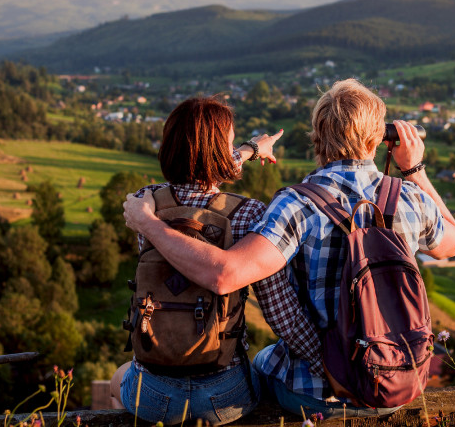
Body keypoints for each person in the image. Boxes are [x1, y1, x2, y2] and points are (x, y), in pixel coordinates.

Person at [123, 79, 455, 419]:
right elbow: (452, 243)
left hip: (313, 395)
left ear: (317, 135)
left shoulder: (295, 204)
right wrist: (415, 171)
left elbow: (228, 273)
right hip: (397, 384)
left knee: (260, 364)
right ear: (377, 138)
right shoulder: (411, 197)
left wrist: (334, 371)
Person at [110, 96, 321, 426]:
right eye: (231, 142)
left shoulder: (145, 203)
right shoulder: (249, 214)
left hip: (152, 394)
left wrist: (251, 147)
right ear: (220, 153)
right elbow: (281, 312)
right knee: (263, 370)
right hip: (225, 394)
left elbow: (200, 172)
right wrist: (327, 365)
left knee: (117, 379)